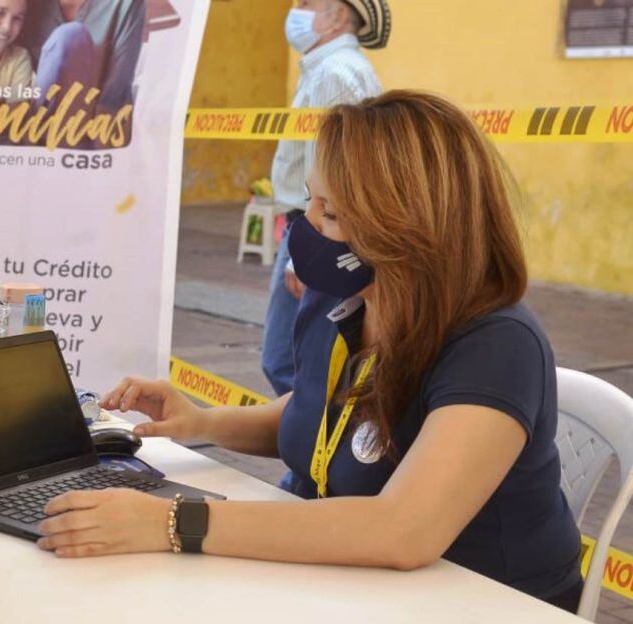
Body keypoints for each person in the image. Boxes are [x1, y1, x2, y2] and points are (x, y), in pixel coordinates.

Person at [37, 91, 586, 614]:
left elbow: (403, 530)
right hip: (356, 587)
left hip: (485, 603)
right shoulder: (350, 296)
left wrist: (171, 523)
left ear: (411, 228)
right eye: (310, 201)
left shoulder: (497, 344)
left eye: (332, 214)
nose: (305, 228)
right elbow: (322, 413)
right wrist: (202, 420)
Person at [261, 0, 388, 396]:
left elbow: (332, 177)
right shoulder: (328, 69)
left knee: (287, 360)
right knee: (308, 359)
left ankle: (316, 448)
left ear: (338, 15)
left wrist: (307, 250)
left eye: (307, 3)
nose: (295, 10)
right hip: (316, 226)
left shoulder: (335, 74)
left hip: (318, 229)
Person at [0, 0, 146, 115]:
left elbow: (114, 97)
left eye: (15, 19)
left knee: (70, 36)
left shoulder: (125, 4)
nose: (9, 24)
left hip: (88, 136)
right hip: (32, 134)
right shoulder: (28, 4)